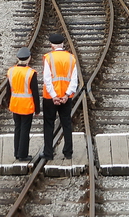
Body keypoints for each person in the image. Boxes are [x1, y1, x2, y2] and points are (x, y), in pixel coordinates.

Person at [42, 33, 78, 161]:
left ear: (51, 45)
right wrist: (66, 95)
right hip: (66, 98)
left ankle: (48, 153)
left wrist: (54, 96)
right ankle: (68, 152)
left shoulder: (48, 58)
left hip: (50, 98)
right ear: (63, 44)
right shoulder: (71, 58)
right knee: (66, 124)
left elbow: (47, 79)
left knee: (48, 125)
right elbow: (74, 80)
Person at [7, 47, 41, 161]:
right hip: (26, 106)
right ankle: (23, 154)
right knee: (25, 129)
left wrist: (8, 103)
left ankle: (17, 152)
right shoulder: (31, 73)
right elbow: (35, 92)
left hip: (15, 104)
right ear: (29, 59)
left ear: (17, 58)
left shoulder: (11, 71)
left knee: (17, 128)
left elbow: (8, 90)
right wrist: (37, 108)